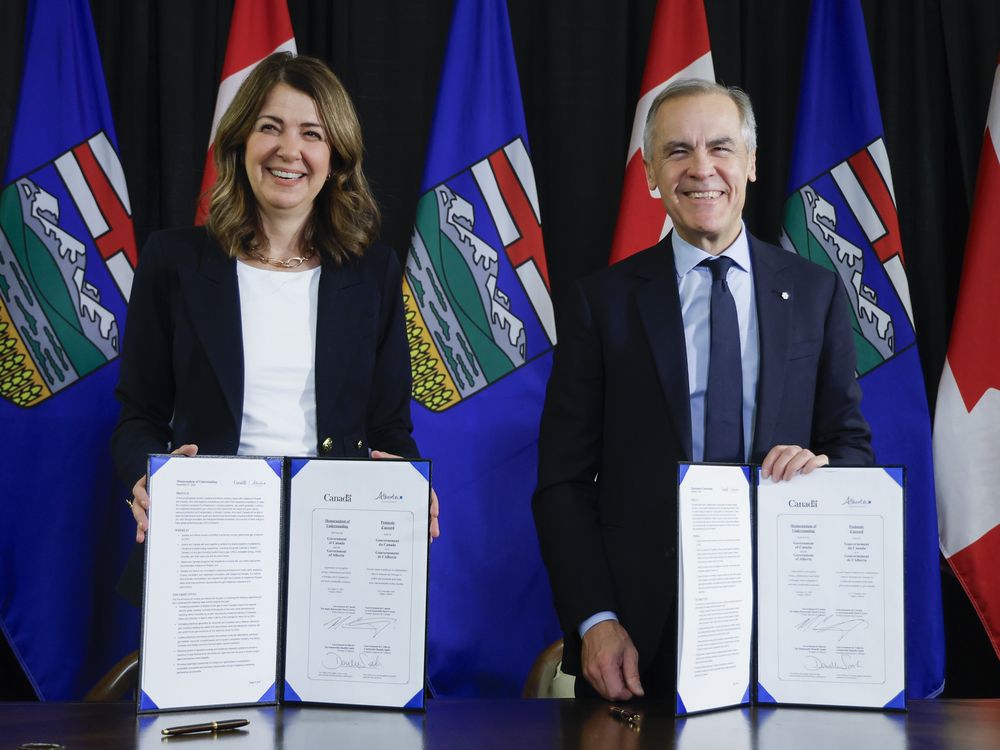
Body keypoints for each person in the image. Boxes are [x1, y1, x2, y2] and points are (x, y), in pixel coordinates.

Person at [532, 79, 872, 701]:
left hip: (787, 626)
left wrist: (820, 466)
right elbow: (563, 482)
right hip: (640, 641)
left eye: (720, 147)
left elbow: (851, 450)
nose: (701, 169)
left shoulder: (816, 294)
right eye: (677, 151)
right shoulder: (599, 304)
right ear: (652, 175)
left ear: (750, 163)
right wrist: (595, 621)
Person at [112, 53, 439, 585]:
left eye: (312, 133)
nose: (290, 150)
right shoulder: (174, 261)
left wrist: (409, 487)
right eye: (271, 127)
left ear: (335, 158)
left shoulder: (373, 272)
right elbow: (138, 414)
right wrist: (143, 478)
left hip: (338, 549)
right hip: (207, 542)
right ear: (241, 144)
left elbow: (387, 428)